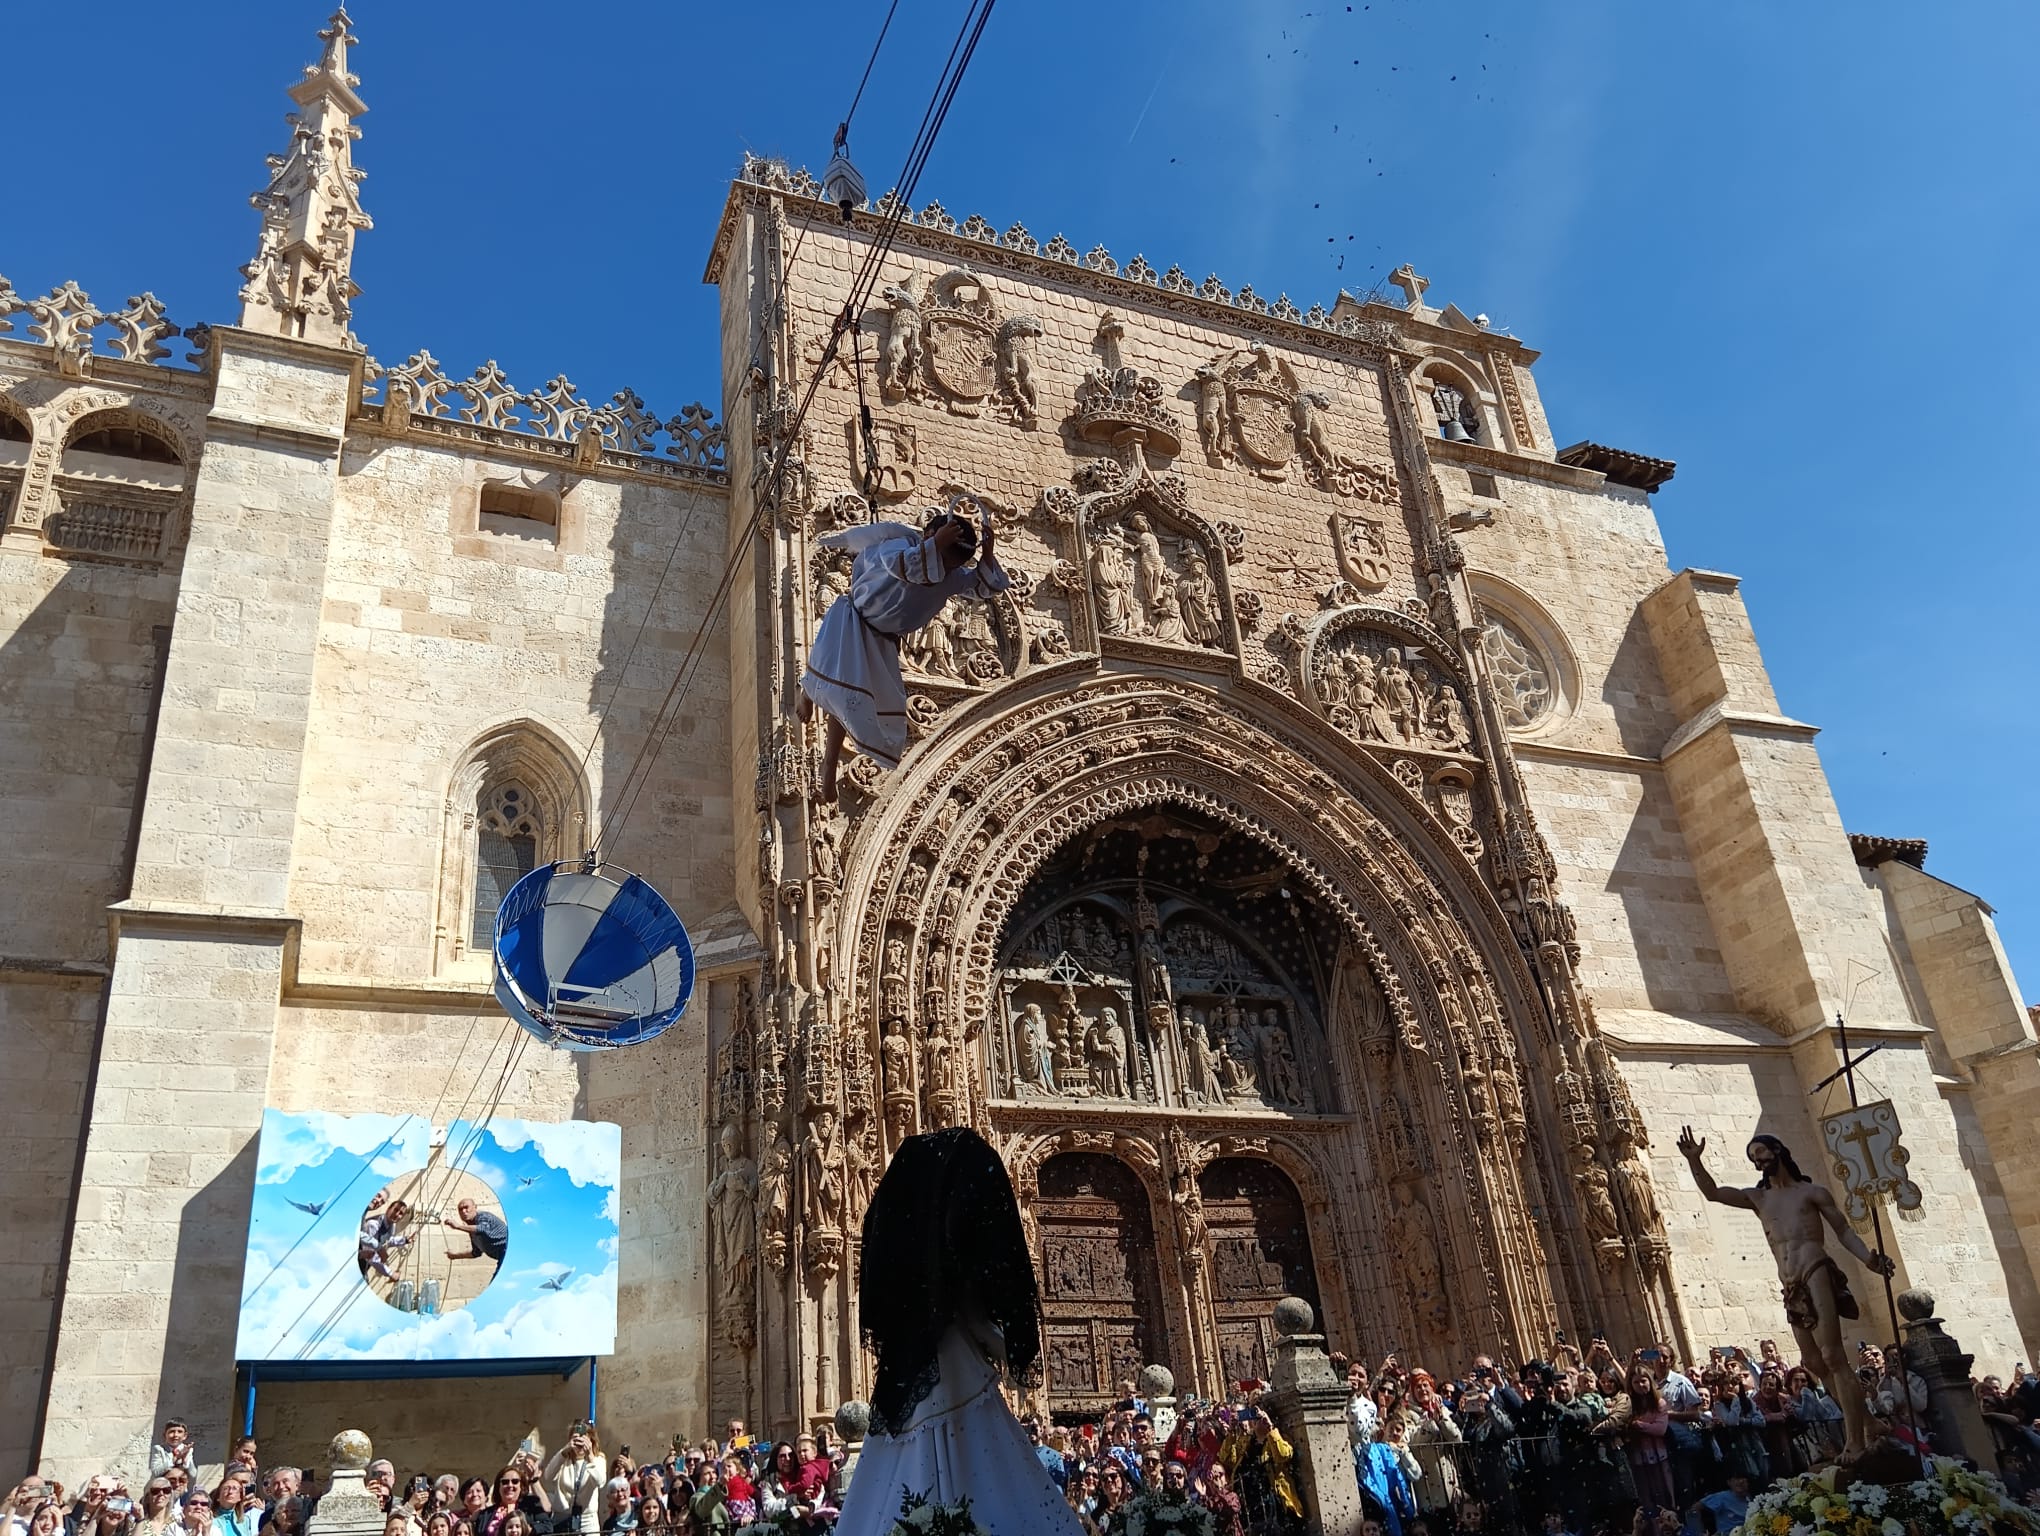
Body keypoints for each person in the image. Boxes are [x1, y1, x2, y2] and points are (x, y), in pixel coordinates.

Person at [832, 1126, 1082, 1536]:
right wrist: (1007, 1349)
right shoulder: (956, 1283)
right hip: (961, 1383)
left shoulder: (911, 1296)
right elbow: (989, 1327)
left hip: (907, 1393)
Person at [1677, 1128, 1896, 1461]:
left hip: (1815, 1268)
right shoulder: (1759, 1198)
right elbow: (1713, 1193)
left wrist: (1869, 1260)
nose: (1758, 1161)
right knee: (1813, 1362)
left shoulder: (1812, 1193)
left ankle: (1856, 1440)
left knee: (1833, 1356)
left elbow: (1844, 1231)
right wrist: (1695, 1161)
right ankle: (1868, 1422)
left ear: (1778, 1150)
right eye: (1752, 1157)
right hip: (1790, 1283)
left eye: (1761, 1152)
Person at [799, 502, 1010, 802]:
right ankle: (806, 695)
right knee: (831, 673)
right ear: (928, 535)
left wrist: (987, 554)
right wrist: (935, 544)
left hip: (883, 639)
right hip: (856, 619)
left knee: (852, 699)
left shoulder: (950, 574)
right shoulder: (901, 543)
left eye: (953, 565)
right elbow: (904, 567)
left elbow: (983, 586)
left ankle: (828, 767)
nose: (947, 569)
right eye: (946, 559)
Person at [546, 1422, 609, 1536]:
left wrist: (589, 1455)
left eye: (584, 1438)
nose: (580, 1443)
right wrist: (564, 1452)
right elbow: (548, 1476)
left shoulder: (598, 1459)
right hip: (561, 1519)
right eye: (576, 1438)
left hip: (587, 1521)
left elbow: (600, 1482)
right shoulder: (564, 1460)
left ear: (591, 1440)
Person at [443, 1197, 509, 1267]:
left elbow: (482, 1229)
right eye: (460, 1209)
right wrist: (454, 1256)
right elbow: (476, 1253)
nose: (463, 1211)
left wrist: (458, 1226)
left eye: (466, 1207)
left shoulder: (483, 1216)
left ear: (475, 1207)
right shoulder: (471, 1229)